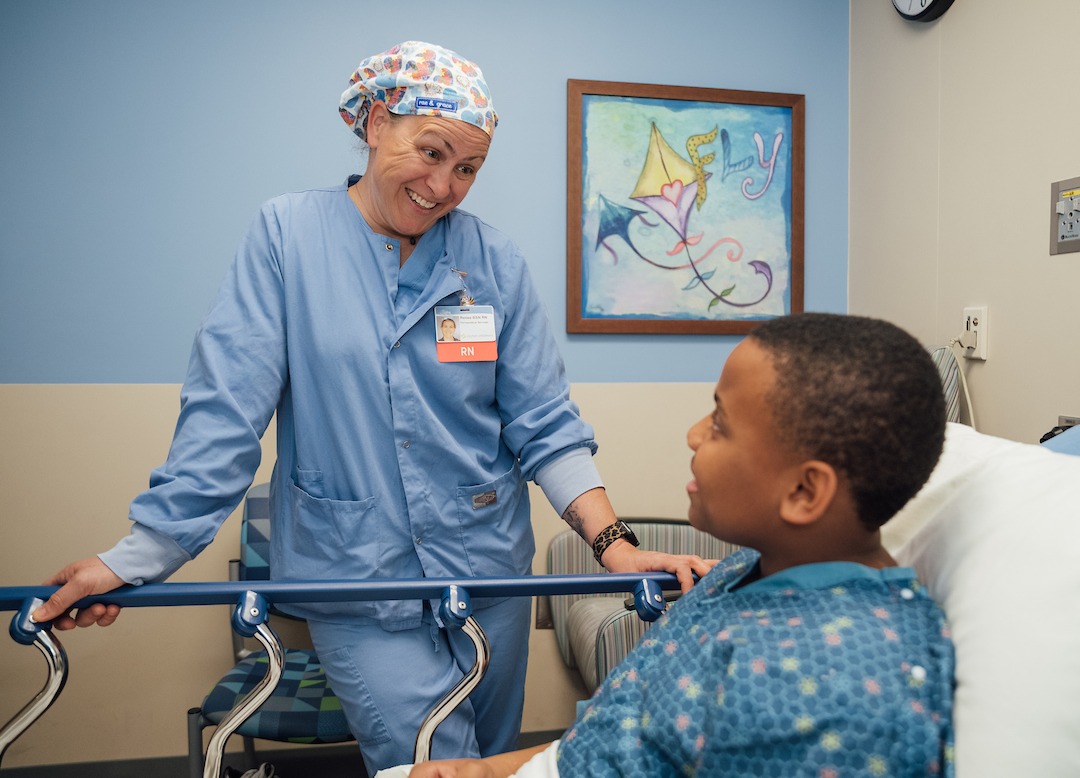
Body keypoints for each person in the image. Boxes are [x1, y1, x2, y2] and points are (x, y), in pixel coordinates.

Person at [32, 41, 712, 773]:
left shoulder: (494, 263)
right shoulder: (288, 238)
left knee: (490, 759)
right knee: (435, 764)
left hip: (492, 578)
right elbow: (228, 414)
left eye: (467, 168)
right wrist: (136, 559)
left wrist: (616, 544)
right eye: (430, 152)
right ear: (377, 122)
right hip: (356, 580)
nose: (443, 185)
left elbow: (544, 423)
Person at [400, 313, 955, 778]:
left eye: (720, 424)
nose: (693, 434)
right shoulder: (742, 573)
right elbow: (632, 732)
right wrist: (493, 770)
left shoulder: (832, 693)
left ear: (805, 491)